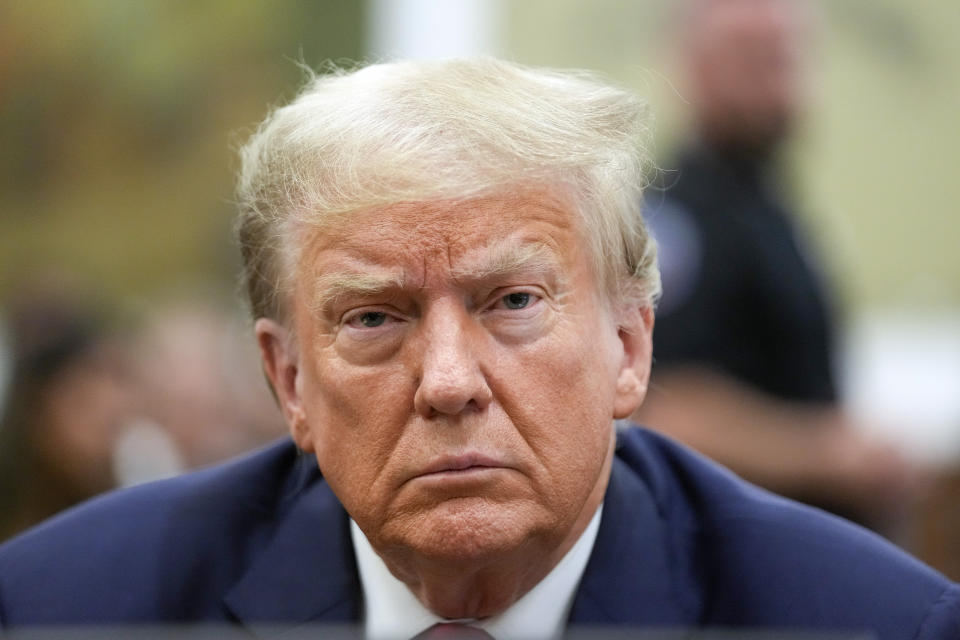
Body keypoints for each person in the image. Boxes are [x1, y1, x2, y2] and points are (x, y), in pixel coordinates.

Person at [0, 58, 956, 639]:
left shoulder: (869, 622)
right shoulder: (63, 609)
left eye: (513, 301)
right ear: (288, 379)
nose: (449, 383)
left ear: (629, 346)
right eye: (374, 318)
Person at [636, 0, 921, 526]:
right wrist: (829, 455)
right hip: (731, 551)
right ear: (692, 65)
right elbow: (663, 410)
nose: (775, 76)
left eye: (785, 54)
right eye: (750, 54)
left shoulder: (770, 206)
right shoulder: (678, 219)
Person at [0, 287, 133, 541]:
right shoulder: (14, 517)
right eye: (86, 406)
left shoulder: (121, 502)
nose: (103, 434)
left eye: (114, 422)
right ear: (40, 410)